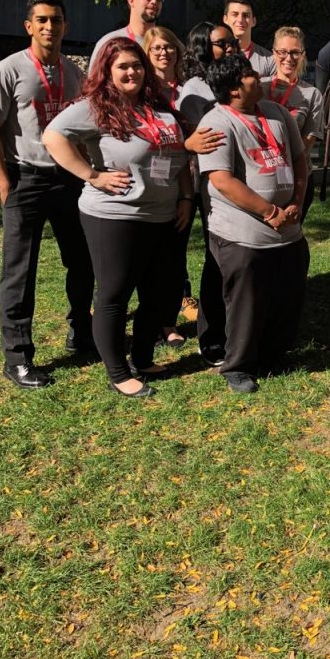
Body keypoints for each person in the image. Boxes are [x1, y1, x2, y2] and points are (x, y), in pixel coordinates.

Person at [43, 38, 193, 398]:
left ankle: (142, 357)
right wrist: (93, 175)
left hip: (163, 215)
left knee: (158, 293)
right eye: (123, 66)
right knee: (114, 294)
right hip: (114, 216)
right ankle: (118, 372)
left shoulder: (157, 108)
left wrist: (186, 195)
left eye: (137, 65)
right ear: (107, 71)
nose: (132, 72)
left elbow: (177, 155)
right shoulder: (96, 107)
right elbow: (53, 136)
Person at [0, 0, 95, 389]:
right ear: (28, 26)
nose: (50, 27)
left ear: (65, 26)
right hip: (25, 178)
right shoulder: (7, 70)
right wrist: (3, 183)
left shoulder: (74, 73)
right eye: (42, 20)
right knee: (19, 271)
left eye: (56, 20)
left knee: (82, 261)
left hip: (68, 180)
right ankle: (17, 358)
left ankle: (81, 332)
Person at [197, 54, 310, 394]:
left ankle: (273, 355)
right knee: (246, 302)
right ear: (233, 88)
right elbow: (222, 180)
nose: (257, 79)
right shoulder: (216, 122)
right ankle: (238, 366)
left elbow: (300, 160)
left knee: (287, 296)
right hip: (243, 233)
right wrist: (270, 212)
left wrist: (295, 204)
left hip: (288, 229)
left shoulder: (275, 113)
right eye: (248, 75)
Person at [178, 22, 236, 366]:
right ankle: (211, 335)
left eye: (231, 42)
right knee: (216, 260)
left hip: (241, 183)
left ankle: (235, 328)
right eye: (220, 43)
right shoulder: (195, 88)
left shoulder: (234, 78)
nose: (229, 47)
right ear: (202, 47)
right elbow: (206, 138)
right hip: (210, 184)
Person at [142, 25, 193, 344]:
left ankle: (168, 322)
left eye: (169, 46)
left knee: (175, 257)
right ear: (147, 54)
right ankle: (149, 320)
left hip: (184, 181)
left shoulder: (191, 90)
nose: (164, 52)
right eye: (156, 48)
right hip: (149, 184)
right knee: (148, 257)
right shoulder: (140, 90)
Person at [261, 26, 323, 221]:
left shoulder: (312, 94)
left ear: (303, 55)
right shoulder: (258, 87)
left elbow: (308, 141)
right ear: (273, 53)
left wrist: (283, 162)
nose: (289, 58)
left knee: (291, 236)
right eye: (283, 52)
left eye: (295, 52)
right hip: (261, 175)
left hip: (297, 177)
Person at [89, 0, 164, 68]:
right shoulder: (109, 43)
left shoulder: (169, 46)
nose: (154, 1)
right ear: (131, 0)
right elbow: (94, 82)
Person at [223, 0, 276, 77]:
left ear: (254, 21)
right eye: (235, 14)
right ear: (225, 19)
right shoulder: (217, 56)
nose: (240, 20)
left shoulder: (269, 59)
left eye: (246, 15)